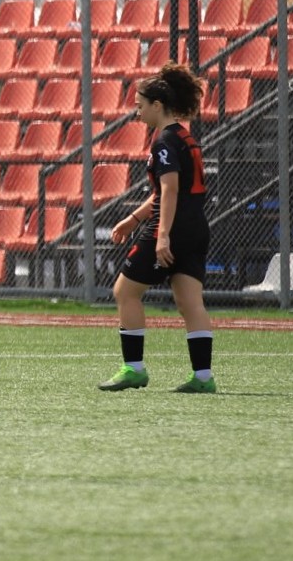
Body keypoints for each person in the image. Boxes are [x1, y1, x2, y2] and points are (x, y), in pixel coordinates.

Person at [99, 62, 216, 394]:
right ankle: (203, 378)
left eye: (140, 106)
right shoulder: (184, 136)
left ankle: (133, 369)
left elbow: (169, 190)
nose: (137, 113)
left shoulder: (164, 141)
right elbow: (173, 189)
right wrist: (133, 219)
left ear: (157, 105)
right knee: (190, 302)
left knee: (125, 291)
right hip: (196, 228)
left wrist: (162, 235)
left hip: (173, 228)